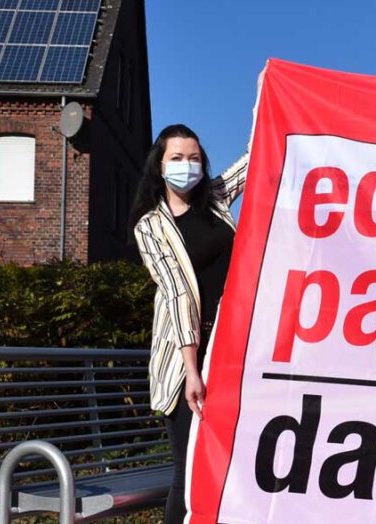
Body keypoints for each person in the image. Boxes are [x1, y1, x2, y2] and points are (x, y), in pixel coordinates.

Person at [130, 123, 249, 522]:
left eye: (194, 158)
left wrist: (266, 98)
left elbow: (254, 160)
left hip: (228, 348)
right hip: (185, 358)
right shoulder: (150, 227)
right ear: (160, 167)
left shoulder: (214, 199)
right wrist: (192, 369)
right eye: (177, 158)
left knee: (225, 462)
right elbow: (178, 293)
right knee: (189, 469)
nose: (187, 165)